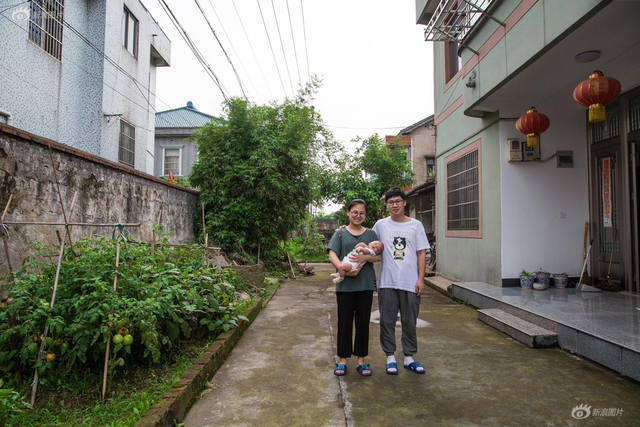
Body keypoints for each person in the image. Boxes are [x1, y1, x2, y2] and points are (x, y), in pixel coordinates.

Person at [372, 187, 430, 375]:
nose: (394, 205)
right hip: (387, 282)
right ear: (386, 205)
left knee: (409, 321)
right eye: (390, 202)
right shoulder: (380, 225)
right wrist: (346, 229)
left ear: (404, 203)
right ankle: (390, 357)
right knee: (387, 321)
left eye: (398, 201)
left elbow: (421, 253)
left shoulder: (416, 225)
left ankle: (409, 357)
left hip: (410, 282)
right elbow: (368, 242)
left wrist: (421, 279)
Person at [327, 199, 380, 377]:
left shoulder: (371, 234)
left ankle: (361, 361)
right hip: (345, 286)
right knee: (344, 322)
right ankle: (342, 360)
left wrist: (364, 258)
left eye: (362, 213)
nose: (358, 216)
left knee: (363, 323)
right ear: (348, 212)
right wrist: (342, 269)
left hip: (365, 285)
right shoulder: (340, 233)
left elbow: (377, 256)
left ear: (366, 215)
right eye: (355, 212)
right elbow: (332, 254)